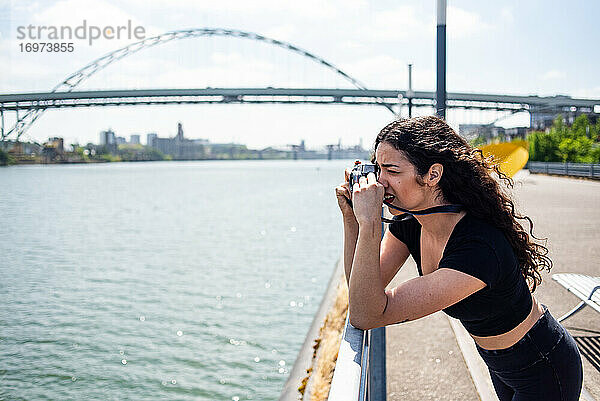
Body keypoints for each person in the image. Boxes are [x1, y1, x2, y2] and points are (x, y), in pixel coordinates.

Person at [335, 116, 583, 401]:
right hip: (499, 363)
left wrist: (369, 225)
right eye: (377, 169)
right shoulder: (411, 222)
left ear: (432, 174)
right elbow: (360, 289)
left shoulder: (477, 247)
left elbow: (366, 314)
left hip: (543, 365)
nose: (380, 182)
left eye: (391, 170)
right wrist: (352, 221)